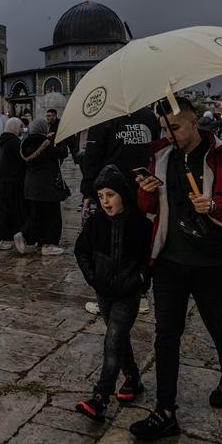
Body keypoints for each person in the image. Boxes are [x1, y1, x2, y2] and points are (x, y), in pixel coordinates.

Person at [130, 96, 222, 440]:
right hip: (168, 259)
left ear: (194, 122)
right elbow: (147, 208)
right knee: (166, 334)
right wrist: (147, 191)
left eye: (176, 127)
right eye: (164, 128)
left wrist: (214, 204)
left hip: (209, 259)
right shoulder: (161, 155)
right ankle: (165, 410)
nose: (170, 134)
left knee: (217, 322)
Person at [74, 165, 152, 422]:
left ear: (122, 194)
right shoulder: (95, 223)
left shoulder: (140, 224)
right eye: (101, 196)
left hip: (127, 294)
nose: (105, 201)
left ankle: (100, 397)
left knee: (112, 339)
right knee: (118, 338)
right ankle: (133, 378)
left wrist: (141, 279)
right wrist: (93, 277)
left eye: (111, 194)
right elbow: (81, 251)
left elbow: (149, 257)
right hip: (104, 291)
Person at [14, 117, 70, 255]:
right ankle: (48, 245)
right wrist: (58, 140)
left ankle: (28, 236)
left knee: (36, 215)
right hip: (47, 186)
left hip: (30, 186)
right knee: (52, 216)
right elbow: (63, 152)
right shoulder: (45, 143)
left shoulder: (25, 143)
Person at [0, 118, 26, 251]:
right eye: (21, 127)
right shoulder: (14, 143)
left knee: (1, 212)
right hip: (12, 183)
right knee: (12, 211)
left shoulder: (1, 143)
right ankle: (13, 235)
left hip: (0, 183)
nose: (22, 130)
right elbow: (23, 162)